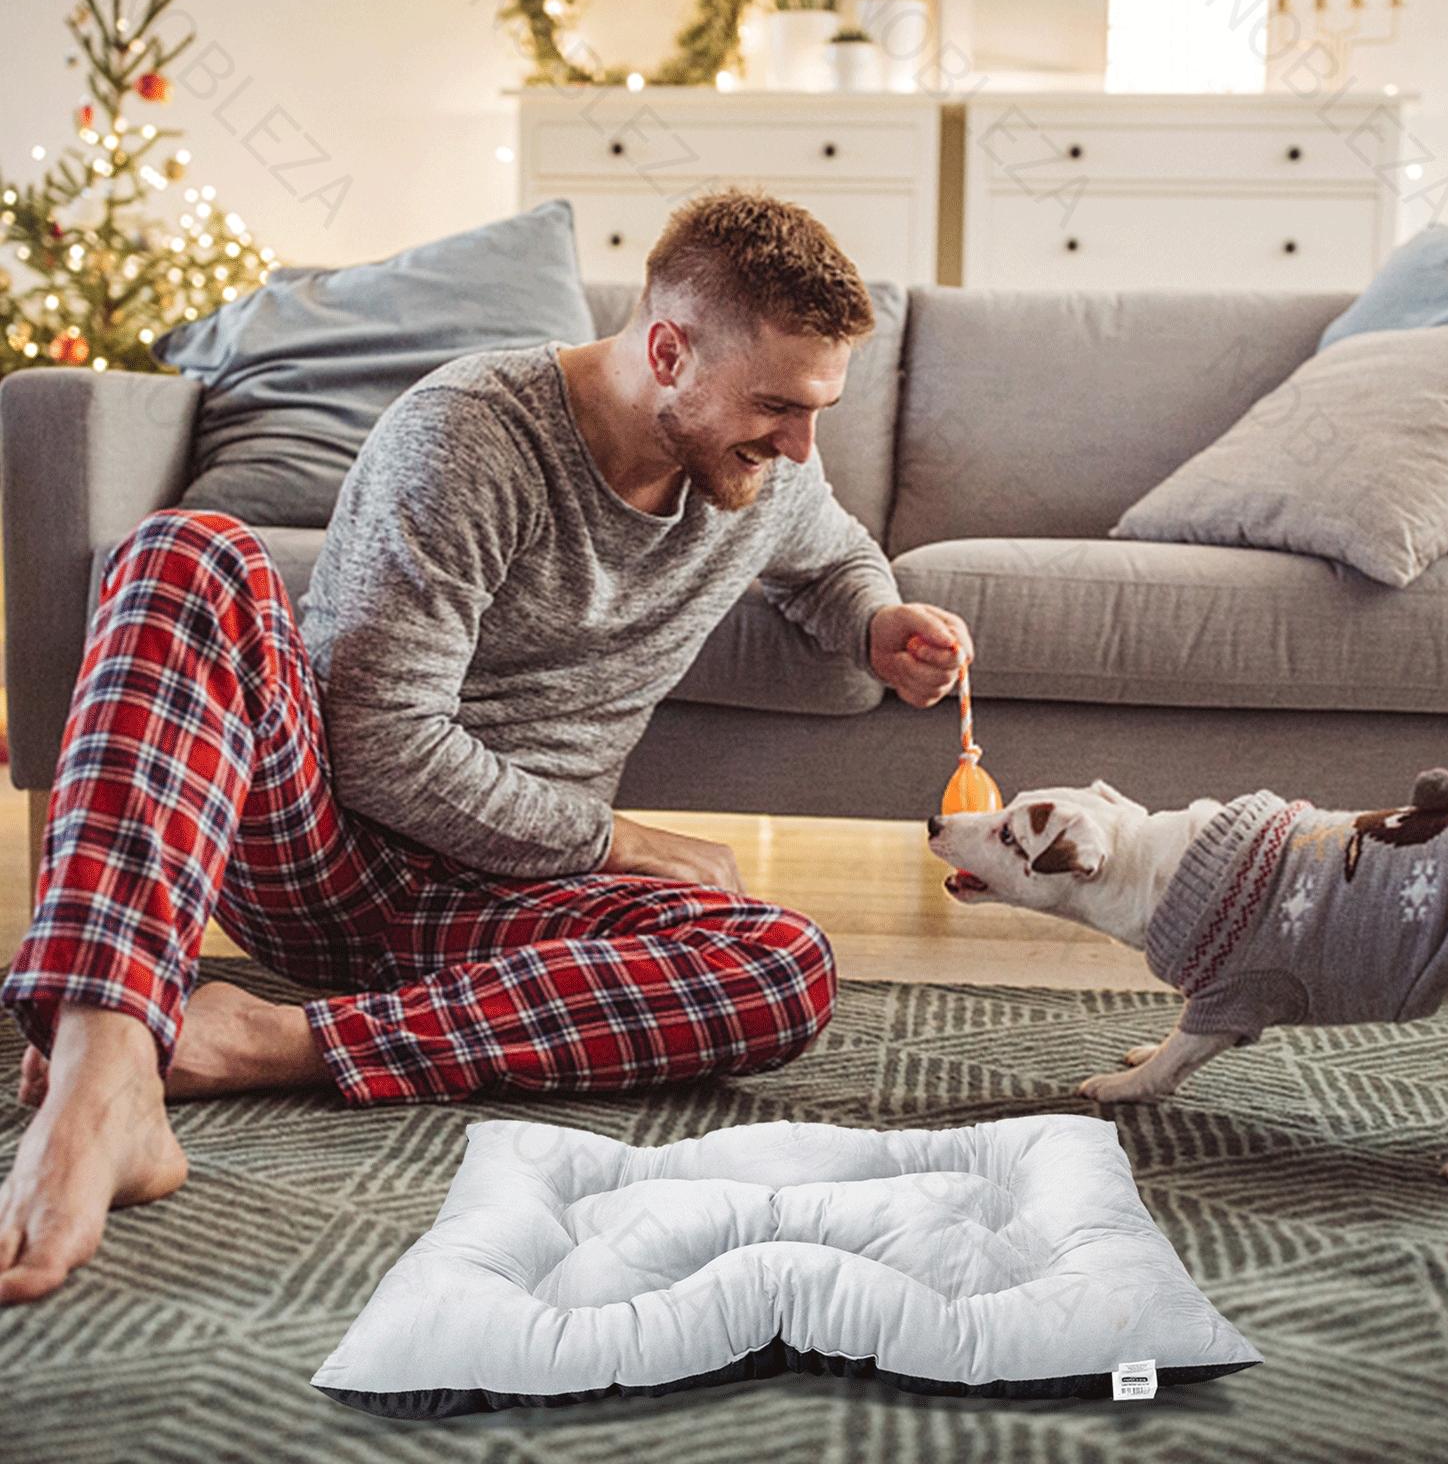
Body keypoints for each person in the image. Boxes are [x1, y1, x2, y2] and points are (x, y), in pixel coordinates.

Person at [0, 187, 975, 1304]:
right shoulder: (470, 431)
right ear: (667, 350)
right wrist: (614, 837)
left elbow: (831, 548)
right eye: (777, 407)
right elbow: (376, 743)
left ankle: (272, 1038)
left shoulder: (763, 472)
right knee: (187, 553)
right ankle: (104, 1060)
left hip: (508, 913)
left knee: (782, 964)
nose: (802, 446)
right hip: (332, 851)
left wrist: (873, 616)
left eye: (818, 410)